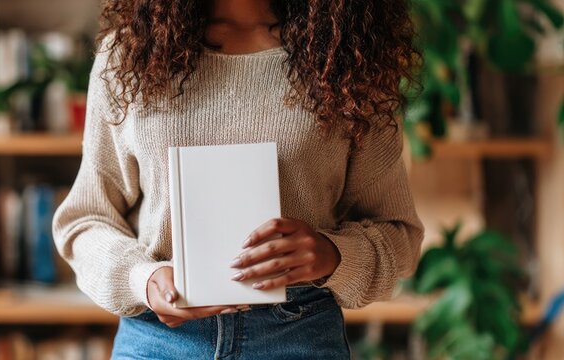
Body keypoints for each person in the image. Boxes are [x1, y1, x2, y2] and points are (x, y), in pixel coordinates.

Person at [52, 0, 424, 358]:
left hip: (298, 335)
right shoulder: (129, 54)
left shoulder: (350, 58)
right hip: (158, 340)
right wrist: (143, 279)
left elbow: (398, 234)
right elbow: (85, 221)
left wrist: (334, 255)